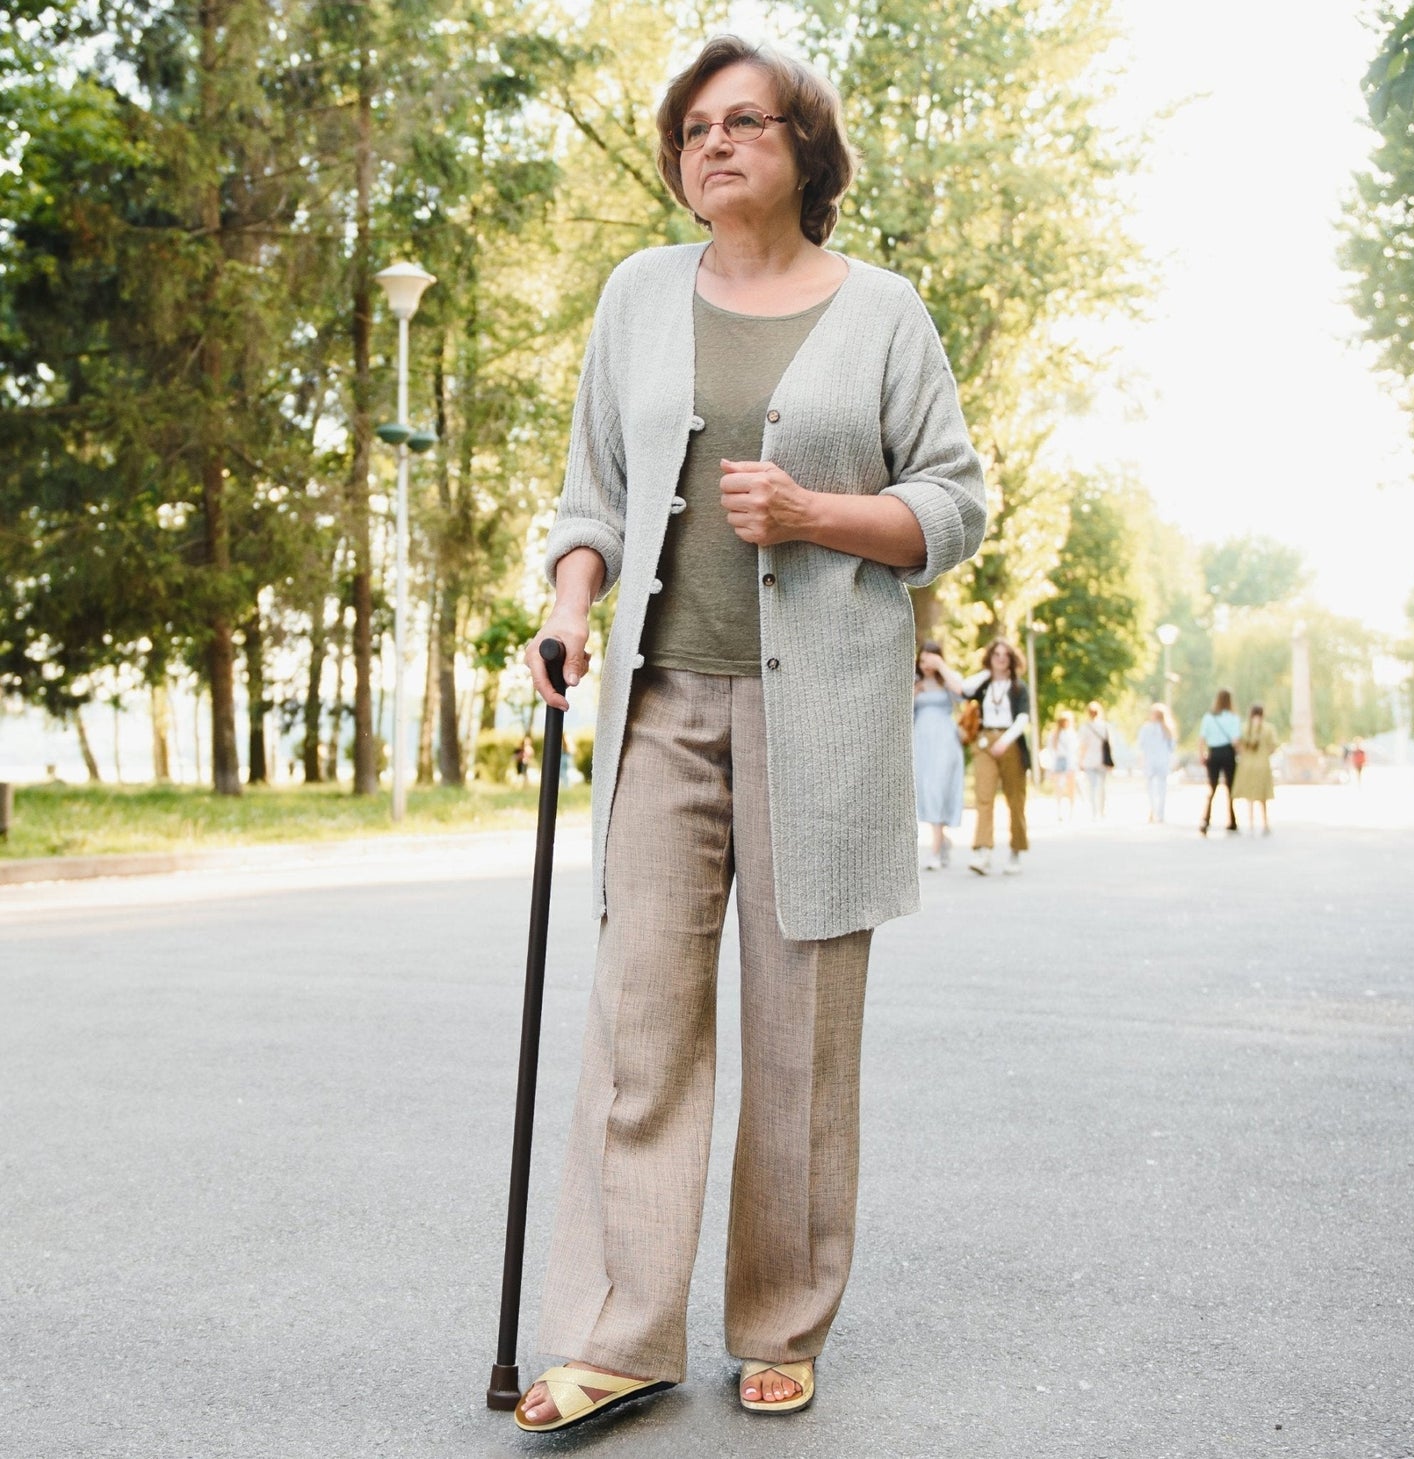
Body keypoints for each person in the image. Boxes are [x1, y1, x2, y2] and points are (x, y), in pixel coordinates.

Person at [514, 35, 987, 1433]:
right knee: (639, 1027)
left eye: (747, 122)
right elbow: (589, 492)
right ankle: (620, 1330)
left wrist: (814, 514)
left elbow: (953, 505)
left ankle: (780, 1321)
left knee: (798, 1041)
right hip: (659, 706)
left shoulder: (884, 311)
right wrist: (568, 604)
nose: (714, 143)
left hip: (823, 718)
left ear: (805, 148)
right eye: (693, 128)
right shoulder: (636, 300)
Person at [960, 639, 1030, 874]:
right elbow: (965, 689)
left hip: (1010, 742)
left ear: (1011, 659)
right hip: (984, 741)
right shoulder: (984, 685)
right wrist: (988, 673)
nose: (1000, 658)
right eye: (996, 655)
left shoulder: (1019, 688)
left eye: (1005, 655)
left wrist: (1006, 741)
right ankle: (983, 851)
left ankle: (1016, 851)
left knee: (1015, 799)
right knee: (984, 796)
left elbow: (1023, 719)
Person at [913, 639, 966, 870]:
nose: (926, 665)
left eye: (931, 660)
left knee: (939, 788)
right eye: (923, 660)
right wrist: (915, 692)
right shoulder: (914, 682)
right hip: (921, 741)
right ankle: (942, 840)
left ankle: (934, 851)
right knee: (925, 789)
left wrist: (942, 667)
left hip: (944, 740)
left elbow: (963, 693)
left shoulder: (948, 682)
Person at [1198, 688, 1242, 835]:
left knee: (1212, 788)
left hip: (1214, 753)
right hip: (1228, 753)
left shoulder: (1209, 717)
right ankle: (1232, 821)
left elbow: (1201, 739)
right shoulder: (1233, 718)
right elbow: (1236, 740)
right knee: (1230, 788)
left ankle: (1206, 819)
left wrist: (1202, 755)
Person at [1233, 703, 1278, 833]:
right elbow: (1273, 747)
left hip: (1247, 766)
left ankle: (1251, 823)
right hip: (1262, 765)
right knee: (1262, 797)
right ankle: (1265, 823)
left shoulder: (1244, 727)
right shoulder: (1268, 728)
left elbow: (1237, 744)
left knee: (1250, 797)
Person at [1137, 703, 1176, 824]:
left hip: (1150, 761)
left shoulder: (1146, 728)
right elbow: (1172, 747)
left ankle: (1152, 810)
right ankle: (1161, 814)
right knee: (1162, 788)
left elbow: (1141, 745)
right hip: (1163, 761)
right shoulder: (1168, 729)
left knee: (1150, 788)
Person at [1078, 700, 1113, 820]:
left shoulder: (1085, 727)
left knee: (1092, 786)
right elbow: (1109, 745)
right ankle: (1101, 811)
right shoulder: (1105, 726)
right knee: (1102, 786)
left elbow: (1083, 746)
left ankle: (1094, 812)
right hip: (1102, 760)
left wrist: (1080, 761)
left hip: (1089, 760)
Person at [1046, 709, 1079, 821]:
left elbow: (1074, 751)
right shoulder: (1055, 735)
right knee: (1059, 788)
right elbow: (1051, 750)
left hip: (1068, 762)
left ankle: (1071, 810)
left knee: (1070, 788)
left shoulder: (1071, 734)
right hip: (1059, 761)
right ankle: (1060, 810)